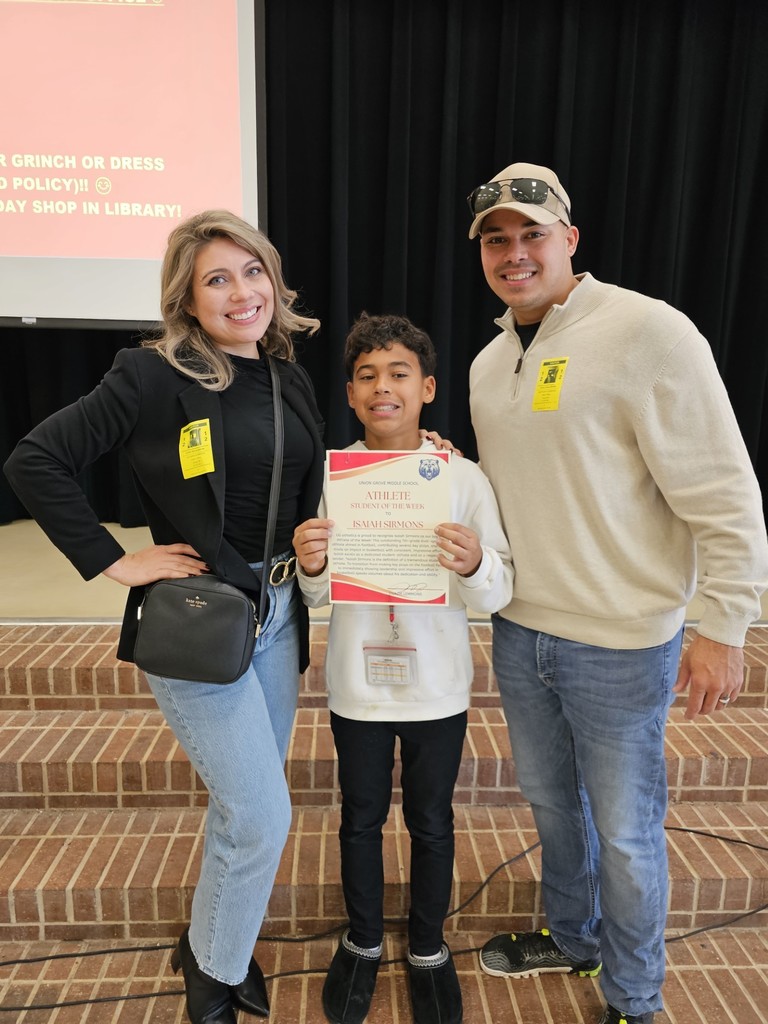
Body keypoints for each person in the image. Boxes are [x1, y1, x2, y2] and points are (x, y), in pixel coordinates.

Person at [3, 210, 326, 1024]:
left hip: (279, 613)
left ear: (273, 280)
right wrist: (115, 561)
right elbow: (35, 459)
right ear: (187, 299)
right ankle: (212, 982)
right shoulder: (149, 376)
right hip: (200, 619)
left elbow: (295, 492)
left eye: (252, 271)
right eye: (216, 279)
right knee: (261, 813)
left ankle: (206, 942)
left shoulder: (290, 375)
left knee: (240, 804)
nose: (241, 292)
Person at [464, 161, 768, 1024]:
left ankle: (634, 1000)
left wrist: (725, 626)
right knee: (554, 808)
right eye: (496, 239)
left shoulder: (649, 332)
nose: (514, 253)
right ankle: (575, 937)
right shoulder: (490, 363)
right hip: (523, 633)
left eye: (532, 234)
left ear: (570, 239)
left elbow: (725, 493)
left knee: (629, 836)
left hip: (624, 643)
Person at [292, 313, 513, 1024]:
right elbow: (316, 594)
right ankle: (360, 942)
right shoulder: (333, 477)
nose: (382, 388)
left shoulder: (462, 477)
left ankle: (426, 947)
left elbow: (500, 587)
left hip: (438, 686)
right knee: (359, 820)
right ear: (351, 396)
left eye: (397, 374)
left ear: (426, 388)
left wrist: (476, 562)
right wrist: (312, 562)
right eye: (366, 377)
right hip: (358, 686)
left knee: (431, 822)